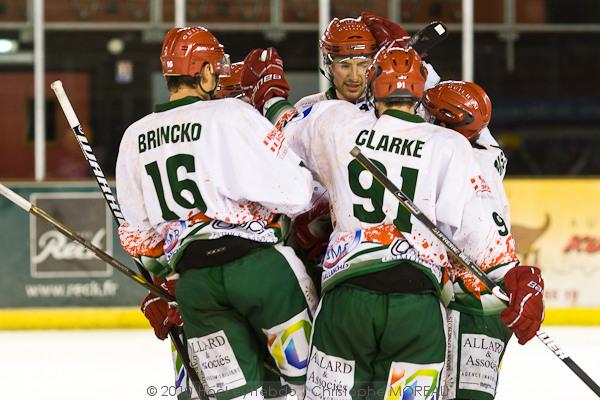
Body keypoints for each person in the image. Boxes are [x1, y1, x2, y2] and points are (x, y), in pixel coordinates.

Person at [243, 40, 518, 399]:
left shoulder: (337, 122)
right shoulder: (450, 145)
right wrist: (514, 277)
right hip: (416, 303)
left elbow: (285, 129)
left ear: (373, 85)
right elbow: (481, 234)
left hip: (348, 298)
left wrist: (271, 98)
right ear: (420, 94)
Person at [115, 26, 318, 400]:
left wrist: (163, 287)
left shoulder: (134, 136)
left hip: (195, 284)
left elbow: (140, 236)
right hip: (260, 271)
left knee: (232, 394)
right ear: (205, 71)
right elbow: (297, 192)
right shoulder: (230, 114)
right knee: (313, 383)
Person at [421, 81, 545, 400]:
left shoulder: (456, 166)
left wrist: (515, 276)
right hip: (484, 303)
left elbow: (485, 245)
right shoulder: (486, 147)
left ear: (444, 127)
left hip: (475, 305)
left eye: (428, 116)